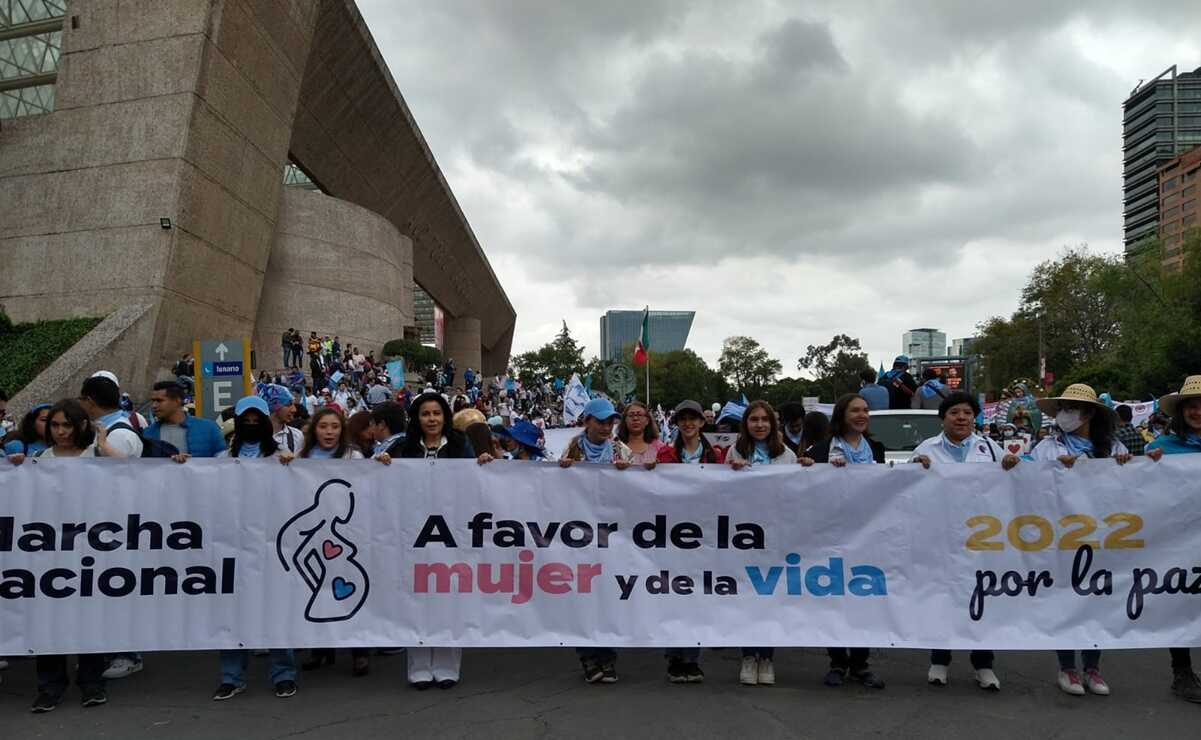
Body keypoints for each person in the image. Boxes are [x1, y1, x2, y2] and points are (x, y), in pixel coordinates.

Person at [910, 392, 1019, 691]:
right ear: (942, 418)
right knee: (943, 598)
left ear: (975, 418)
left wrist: (1012, 462)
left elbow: (1017, 476)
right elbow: (905, 489)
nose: (961, 418)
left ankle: (983, 664)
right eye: (954, 413)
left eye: (967, 413)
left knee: (980, 599)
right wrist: (914, 466)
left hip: (981, 538)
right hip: (941, 537)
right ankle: (939, 660)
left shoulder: (989, 447)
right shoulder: (926, 449)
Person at [1031, 384, 1129, 697]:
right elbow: (1024, 485)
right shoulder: (1046, 448)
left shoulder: (1113, 449)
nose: (1064, 415)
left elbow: (1134, 488)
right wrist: (1014, 465)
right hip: (1059, 537)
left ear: (1088, 413)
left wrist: (1134, 466)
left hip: (1103, 538)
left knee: (1096, 601)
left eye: (1071, 408)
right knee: (1065, 601)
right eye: (1061, 408)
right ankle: (1067, 668)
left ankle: (1093, 669)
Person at [399, 392, 492, 689]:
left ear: (445, 416)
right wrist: (383, 463)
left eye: (437, 413)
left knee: (450, 595)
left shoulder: (460, 444)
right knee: (417, 597)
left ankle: (447, 664)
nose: (431, 419)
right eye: (425, 414)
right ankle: (419, 665)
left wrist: (483, 463)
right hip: (414, 532)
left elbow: (473, 480)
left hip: (452, 530)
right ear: (417, 418)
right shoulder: (403, 446)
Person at [212, 396, 298, 700]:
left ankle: (283, 673)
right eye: (244, 420)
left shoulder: (282, 457)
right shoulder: (222, 459)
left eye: (255, 420)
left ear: (264, 423)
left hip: (272, 548)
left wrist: (291, 466)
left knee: (274, 610)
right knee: (233, 614)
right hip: (233, 548)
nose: (250, 425)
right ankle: (232, 676)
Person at [25, 399, 107, 711]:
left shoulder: (94, 455)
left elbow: (131, 472)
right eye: (55, 425)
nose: (60, 431)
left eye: (67, 425)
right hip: (49, 554)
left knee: (88, 620)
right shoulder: (39, 459)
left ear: (80, 425)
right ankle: (50, 687)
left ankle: (91, 683)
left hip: (91, 553)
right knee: (49, 622)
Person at [809, 393, 887, 690]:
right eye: (854, 410)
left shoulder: (877, 449)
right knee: (834, 599)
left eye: (865, 410)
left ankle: (860, 664)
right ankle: (837, 662)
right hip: (831, 534)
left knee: (864, 599)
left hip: (868, 534)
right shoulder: (820, 450)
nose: (861, 415)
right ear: (841, 415)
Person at [559, 398, 631, 683]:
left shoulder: (619, 449)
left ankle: (607, 657)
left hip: (611, 534)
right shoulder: (571, 449)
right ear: (587, 421)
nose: (606, 427)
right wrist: (562, 470)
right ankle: (589, 658)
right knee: (584, 596)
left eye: (610, 421)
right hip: (578, 534)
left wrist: (631, 471)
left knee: (608, 597)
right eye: (600, 421)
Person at [294, 407, 370, 676]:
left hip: (350, 528)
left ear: (342, 430)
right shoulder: (301, 458)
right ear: (314, 429)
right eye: (323, 426)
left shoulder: (354, 456)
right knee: (321, 594)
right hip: (318, 527)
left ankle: (359, 651)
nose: (329, 432)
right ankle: (320, 649)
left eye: (334, 427)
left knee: (352, 594)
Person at [726, 400, 794, 686]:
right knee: (746, 598)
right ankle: (748, 655)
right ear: (746, 423)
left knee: (770, 598)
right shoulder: (735, 451)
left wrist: (806, 468)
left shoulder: (787, 454)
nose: (759, 424)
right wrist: (732, 470)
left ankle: (766, 656)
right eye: (753, 419)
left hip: (775, 536)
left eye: (765, 419)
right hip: (742, 536)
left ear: (773, 423)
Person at [653, 399, 722, 684]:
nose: (688, 423)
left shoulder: (715, 456)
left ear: (702, 423)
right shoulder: (666, 455)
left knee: (697, 598)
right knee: (674, 596)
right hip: (673, 534)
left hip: (704, 534)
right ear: (677, 423)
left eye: (693, 418)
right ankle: (674, 658)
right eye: (683, 419)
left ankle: (692, 659)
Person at [1145, 375, 1201, 703]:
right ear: (1181, 413)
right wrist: (1146, 466)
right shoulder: (1162, 448)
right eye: (1191, 407)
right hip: (1179, 542)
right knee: (1180, 604)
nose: (1197, 412)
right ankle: (1182, 672)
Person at [144, 381, 225, 459]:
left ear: (177, 400)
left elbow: (224, 462)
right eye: (153, 401)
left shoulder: (209, 429)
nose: (154, 405)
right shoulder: (148, 433)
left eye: (159, 400)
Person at [77, 375, 143, 459]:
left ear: (89, 402)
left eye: (80, 399)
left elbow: (109, 470)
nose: (79, 404)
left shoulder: (118, 436)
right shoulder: (108, 428)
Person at [259, 384, 304, 455]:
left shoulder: (297, 436)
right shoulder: (254, 436)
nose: (294, 410)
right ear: (274, 406)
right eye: (289, 404)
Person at [617, 401, 663, 466]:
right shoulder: (616, 447)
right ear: (625, 420)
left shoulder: (660, 448)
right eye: (631, 415)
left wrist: (660, 464)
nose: (635, 418)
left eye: (640, 415)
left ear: (647, 421)